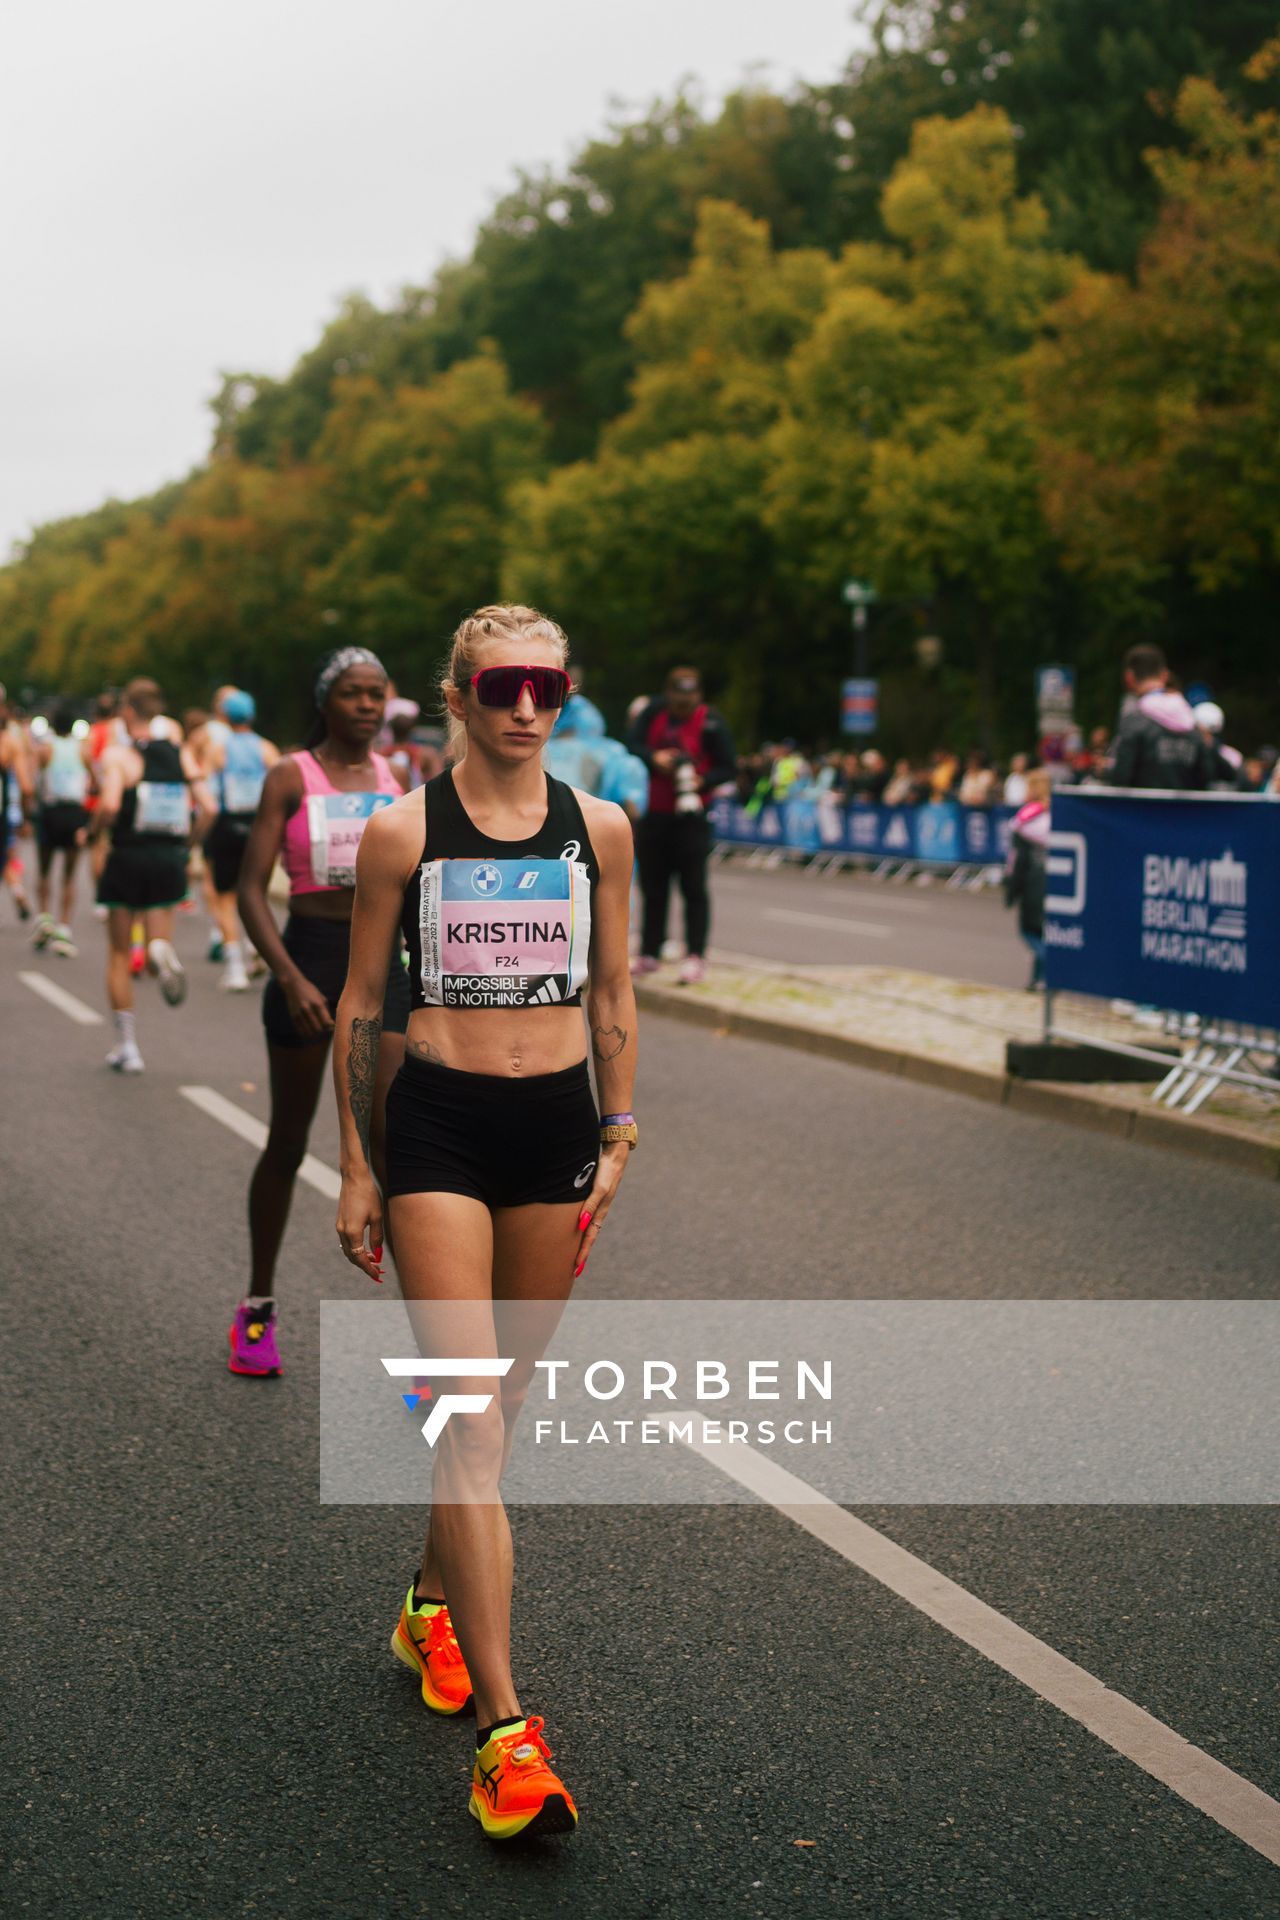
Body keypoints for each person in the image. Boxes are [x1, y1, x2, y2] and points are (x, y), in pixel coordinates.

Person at [332, 604, 637, 1842]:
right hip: (442, 1132)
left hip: (557, 1129)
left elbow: (611, 988)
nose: (524, 706)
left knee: (491, 1417)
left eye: (545, 687)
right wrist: (357, 1163)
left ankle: (426, 1606)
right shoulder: (402, 831)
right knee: (464, 1417)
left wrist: (618, 1129)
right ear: (455, 695)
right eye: (500, 685)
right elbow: (362, 1006)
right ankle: (507, 1742)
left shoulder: (599, 829)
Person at [233, 647, 410, 1377]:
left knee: (397, 1150)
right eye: (352, 694)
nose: (367, 706)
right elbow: (249, 889)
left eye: (377, 694)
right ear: (325, 702)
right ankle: (257, 1308)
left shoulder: (399, 779)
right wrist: (290, 976)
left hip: (383, 970)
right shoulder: (289, 775)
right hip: (308, 960)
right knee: (287, 1140)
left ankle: (425, 1340)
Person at [94, 679, 212, 1071]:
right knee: (157, 935)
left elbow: (110, 804)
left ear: (128, 712)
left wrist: (93, 831)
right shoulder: (181, 756)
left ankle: (128, 1047)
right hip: (168, 859)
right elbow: (209, 807)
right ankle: (161, 950)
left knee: (118, 953)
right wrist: (188, 845)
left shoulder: (119, 757)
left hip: (127, 857)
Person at [626, 666, 736, 985]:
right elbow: (632, 745)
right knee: (653, 886)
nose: (681, 706)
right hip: (655, 812)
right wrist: (654, 758)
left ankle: (696, 955)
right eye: (677, 699)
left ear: (698, 697)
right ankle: (650, 951)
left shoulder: (711, 722)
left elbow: (728, 767)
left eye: (688, 700)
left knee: (693, 888)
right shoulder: (652, 713)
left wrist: (703, 780)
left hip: (692, 815)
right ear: (668, 694)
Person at [202, 690, 279, 991]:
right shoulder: (266, 749)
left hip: (226, 825)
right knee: (256, 890)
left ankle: (235, 966)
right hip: (259, 827)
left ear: (225, 717)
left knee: (224, 897)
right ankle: (256, 948)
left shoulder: (218, 749)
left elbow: (208, 791)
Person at [1108, 645, 1212, 790]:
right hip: (1185, 812)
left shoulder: (1133, 721)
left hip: (1142, 811)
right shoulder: (1193, 723)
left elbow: (1120, 780)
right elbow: (1206, 778)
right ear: (1164, 675)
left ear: (1129, 677)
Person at [31, 701, 91, 955]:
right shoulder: (83, 751)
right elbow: (96, 780)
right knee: (70, 873)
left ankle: (45, 916)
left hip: (51, 811)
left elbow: (35, 781)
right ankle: (64, 927)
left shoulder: (45, 749)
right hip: (74, 813)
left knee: (44, 869)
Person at [1004, 767, 1051, 990]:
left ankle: (1047, 969)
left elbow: (1017, 858)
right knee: (1043, 929)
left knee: (1029, 930)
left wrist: (1011, 888)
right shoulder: (1057, 814)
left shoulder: (1026, 819)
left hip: (1033, 880)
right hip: (1054, 880)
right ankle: (1037, 979)